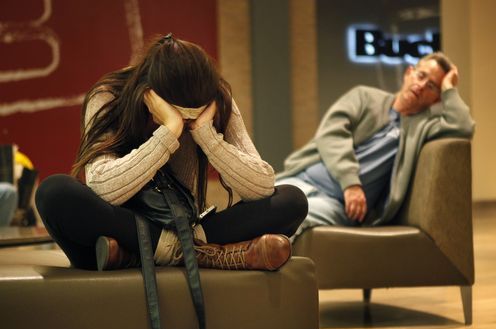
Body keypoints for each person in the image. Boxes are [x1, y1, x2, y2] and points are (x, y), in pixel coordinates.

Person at [36, 33, 307, 271]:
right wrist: (169, 131)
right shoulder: (109, 95)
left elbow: (261, 186)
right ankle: (200, 254)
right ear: (150, 93)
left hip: (183, 227)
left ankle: (141, 256)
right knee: (55, 193)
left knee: (292, 201)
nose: (188, 122)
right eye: (181, 115)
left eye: (194, 116)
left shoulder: (216, 98)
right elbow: (103, 187)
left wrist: (206, 135)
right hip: (122, 225)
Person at [276, 52, 475, 238]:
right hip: (302, 179)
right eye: (421, 76)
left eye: (432, 86)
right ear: (408, 73)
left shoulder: (425, 127)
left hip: (335, 204)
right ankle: (246, 259)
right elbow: (331, 133)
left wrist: (449, 88)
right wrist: (350, 182)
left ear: (436, 99)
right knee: (255, 205)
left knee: (285, 216)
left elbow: (463, 126)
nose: (421, 85)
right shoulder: (364, 97)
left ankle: (249, 260)